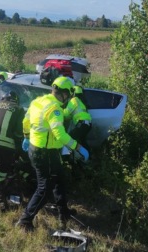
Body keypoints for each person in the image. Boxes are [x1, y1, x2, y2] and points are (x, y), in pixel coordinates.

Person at [15, 76, 89, 231]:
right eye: (68, 95)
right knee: (44, 188)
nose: (68, 98)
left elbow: (25, 121)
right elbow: (60, 135)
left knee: (59, 180)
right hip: (45, 153)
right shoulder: (54, 109)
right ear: (64, 94)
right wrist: (77, 147)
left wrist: (27, 137)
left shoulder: (37, 102)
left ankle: (64, 213)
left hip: (39, 149)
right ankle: (25, 221)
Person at [64, 84, 92, 154]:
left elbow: (66, 113)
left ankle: (67, 157)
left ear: (73, 93)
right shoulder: (81, 102)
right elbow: (73, 114)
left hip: (82, 123)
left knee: (69, 139)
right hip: (88, 124)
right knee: (82, 141)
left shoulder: (74, 100)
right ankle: (88, 157)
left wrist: (58, 111)